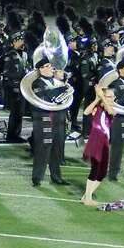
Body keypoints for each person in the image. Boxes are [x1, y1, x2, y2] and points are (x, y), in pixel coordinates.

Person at [29, 57, 71, 187]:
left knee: (57, 149)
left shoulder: (57, 82)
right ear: (40, 69)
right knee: (43, 149)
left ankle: (56, 176)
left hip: (58, 118)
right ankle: (37, 177)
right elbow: (43, 97)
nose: (51, 68)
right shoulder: (36, 83)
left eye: (51, 66)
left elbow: (65, 96)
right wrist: (60, 91)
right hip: (44, 119)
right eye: (47, 66)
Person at [80, 86, 115, 206]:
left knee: (103, 172)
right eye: (109, 96)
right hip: (96, 140)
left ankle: (86, 196)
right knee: (95, 168)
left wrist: (102, 97)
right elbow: (86, 112)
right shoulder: (97, 107)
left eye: (112, 96)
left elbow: (111, 112)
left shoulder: (111, 108)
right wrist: (97, 98)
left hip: (104, 141)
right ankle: (88, 198)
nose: (112, 98)